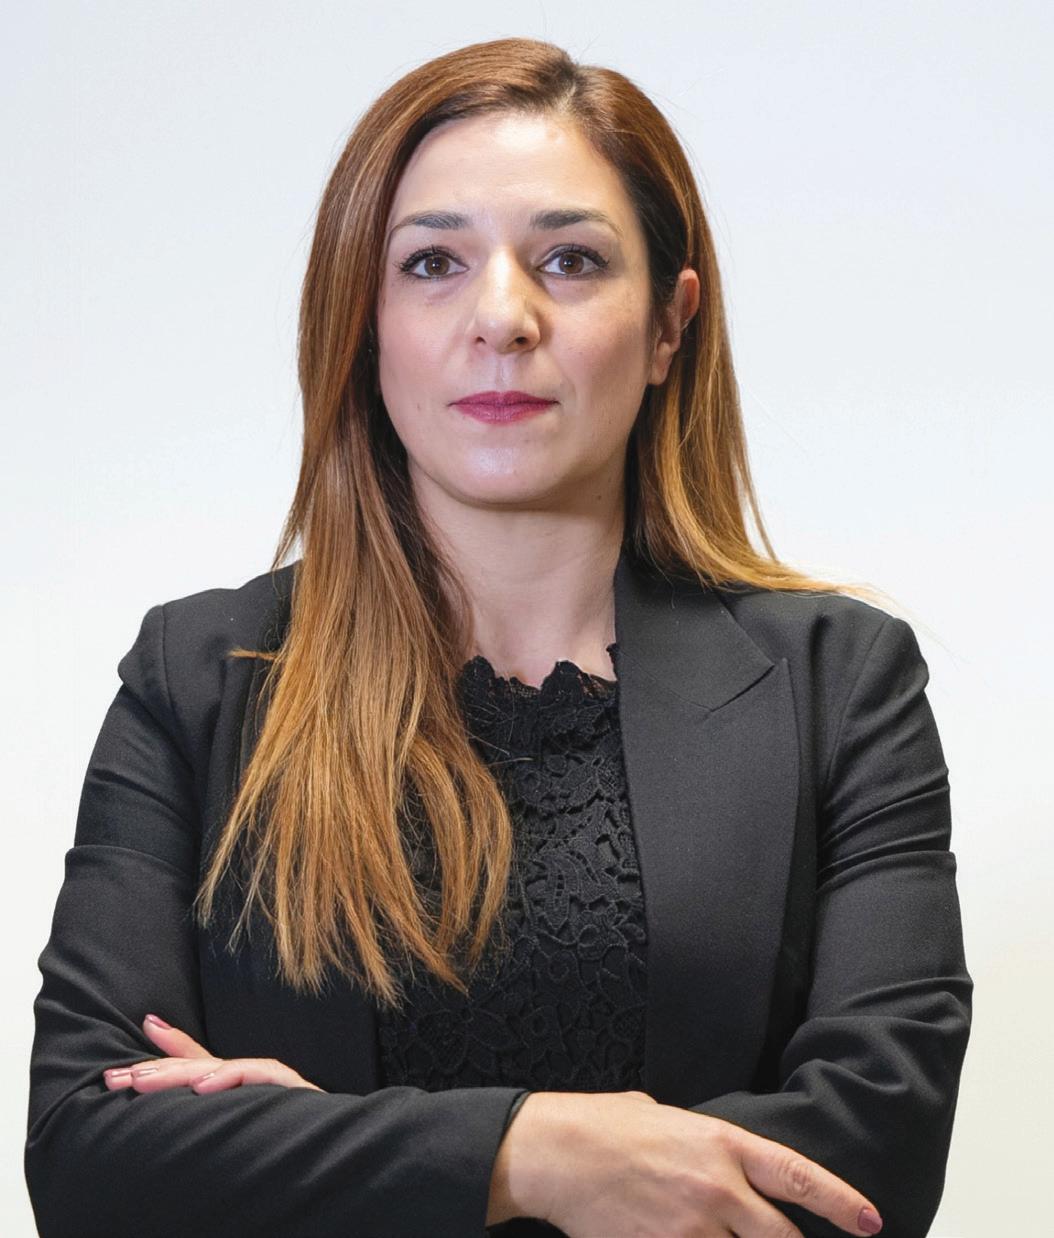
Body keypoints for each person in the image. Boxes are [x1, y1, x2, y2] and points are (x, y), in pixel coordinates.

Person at [25, 36, 972, 1238]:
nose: (502, 316)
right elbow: (89, 1154)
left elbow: (871, 1161)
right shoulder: (198, 680)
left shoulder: (839, 682)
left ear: (669, 325)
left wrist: (316, 1150)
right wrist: (531, 1153)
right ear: (364, 323)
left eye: (570, 259)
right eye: (433, 262)